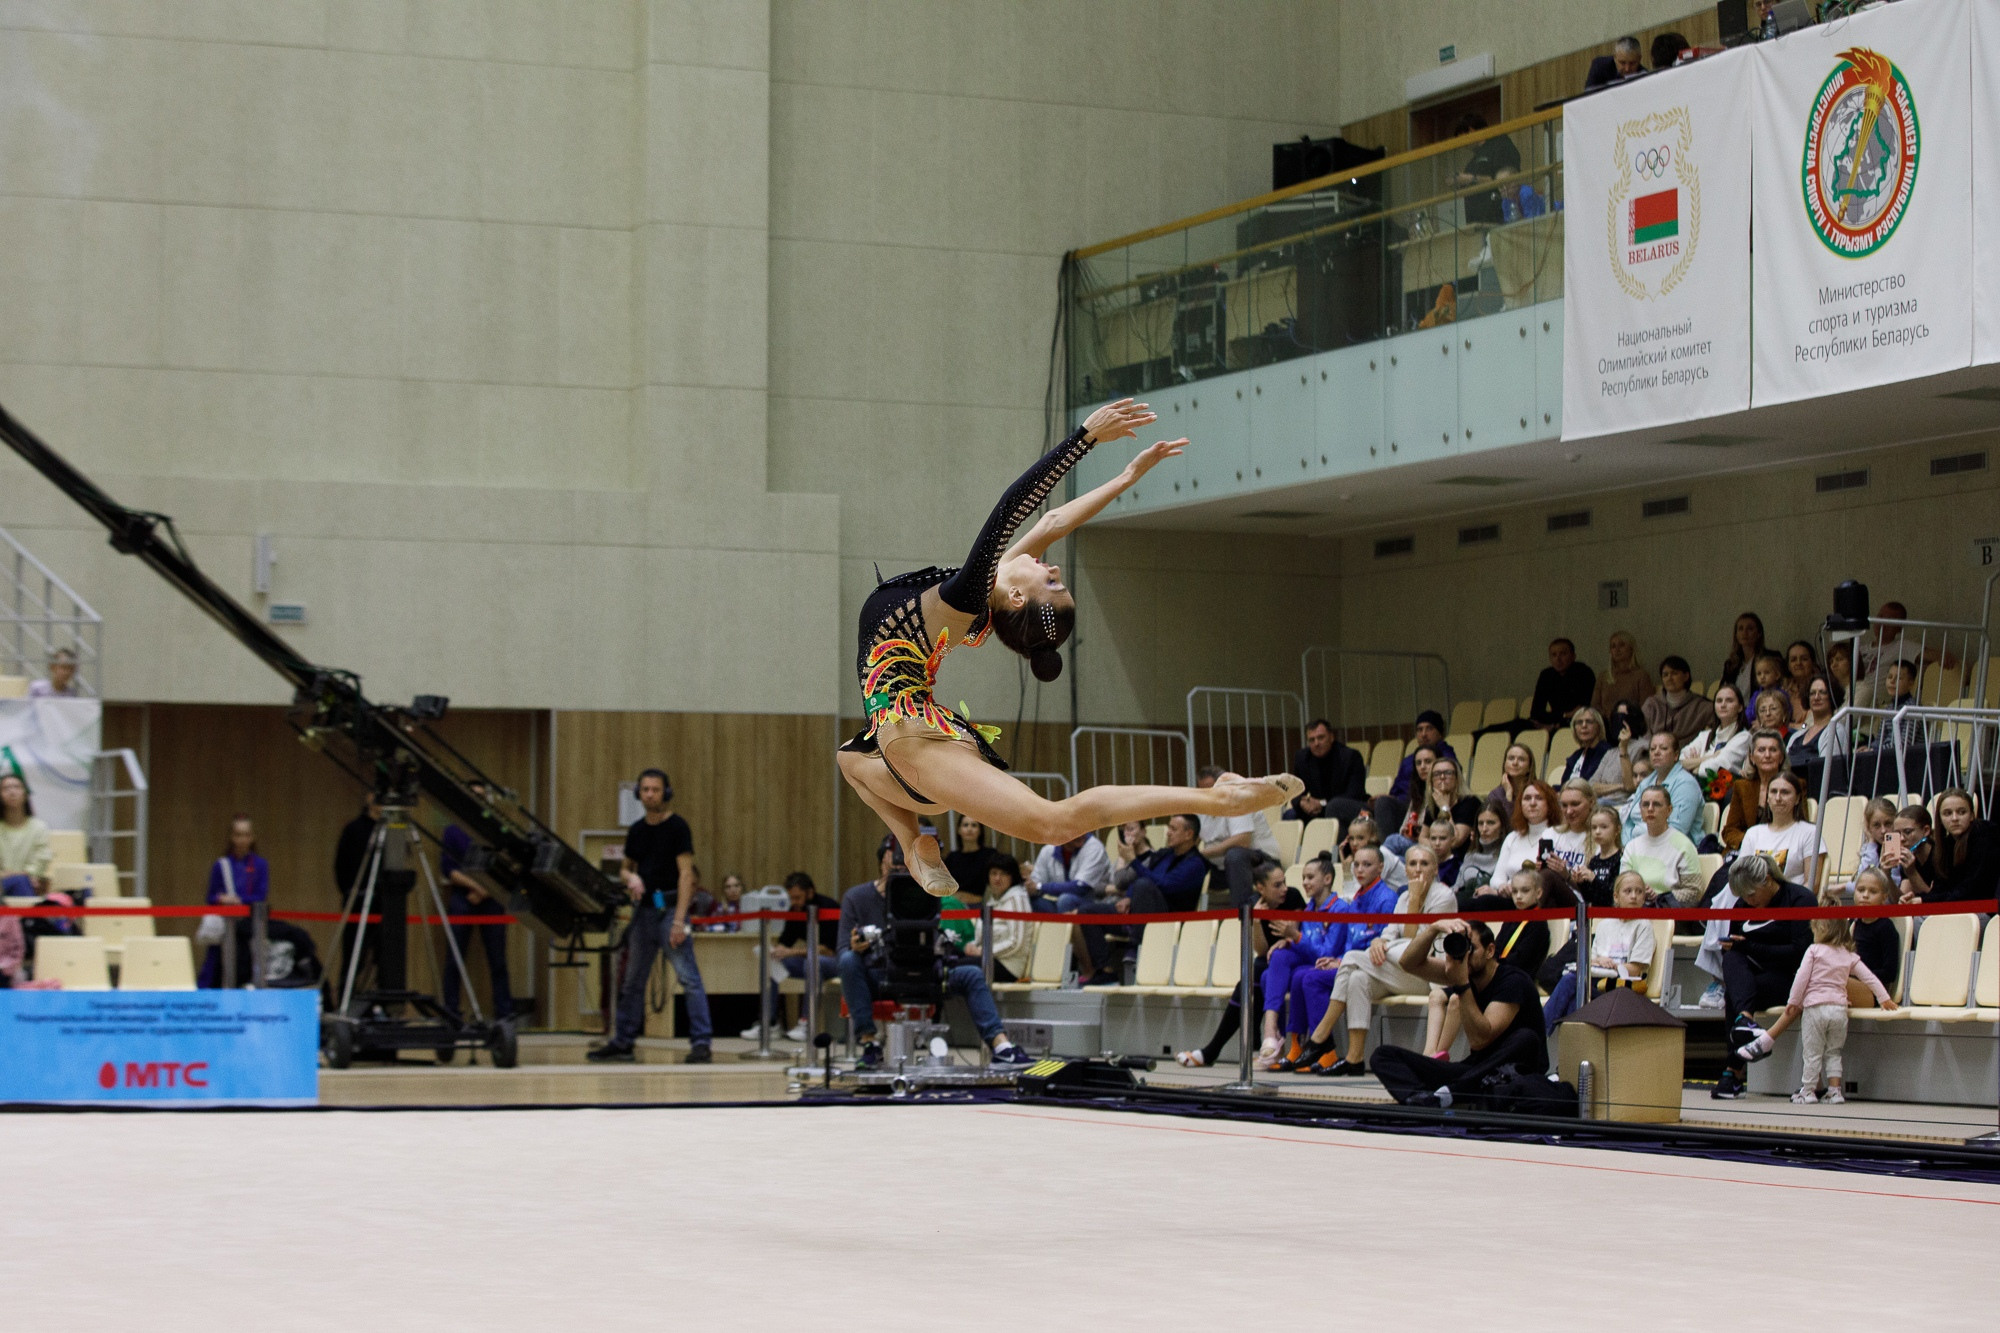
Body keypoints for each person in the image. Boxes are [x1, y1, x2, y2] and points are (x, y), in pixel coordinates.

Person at [835, 397, 1298, 897]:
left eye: (1051, 584)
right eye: (1056, 577)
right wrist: (1126, 478)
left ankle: (1220, 802)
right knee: (846, 758)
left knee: (1055, 824)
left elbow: (1011, 510)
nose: (1052, 568)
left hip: (915, 742)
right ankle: (912, 843)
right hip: (906, 749)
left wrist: (1084, 438)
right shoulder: (987, 599)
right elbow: (1054, 523)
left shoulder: (965, 598)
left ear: (1018, 597)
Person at [833, 843, 1031, 1070]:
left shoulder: (929, 892)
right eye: (895, 864)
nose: (901, 870)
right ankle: (869, 1044)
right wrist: (857, 946)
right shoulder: (856, 897)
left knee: (972, 974)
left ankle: (1002, 1049)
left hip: (929, 971)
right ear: (882, 863)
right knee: (848, 960)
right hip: (886, 975)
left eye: (906, 865)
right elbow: (842, 952)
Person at [1293, 843, 1457, 1075]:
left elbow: (1416, 944)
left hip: (1430, 973)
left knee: (1351, 957)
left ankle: (1320, 1035)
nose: (1418, 869)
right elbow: (1390, 933)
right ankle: (1355, 1058)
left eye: (1424, 863)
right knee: (1357, 978)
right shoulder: (1404, 897)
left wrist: (1414, 902)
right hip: (1402, 969)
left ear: (1435, 868)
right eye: (1412, 863)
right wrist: (1379, 942)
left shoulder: (1444, 896)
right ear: (1406, 869)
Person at [589, 768, 711, 1064]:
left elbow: (686, 875)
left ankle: (701, 1043)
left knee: (688, 978)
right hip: (643, 912)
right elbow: (624, 867)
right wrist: (631, 877)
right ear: (638, 794)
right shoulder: (637, 830)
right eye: (645, 789)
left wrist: (680, 919)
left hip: (670, 909)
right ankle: (623, 1042)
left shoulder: (677, 827)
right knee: (632, 981)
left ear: (665, 793)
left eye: (655, 789)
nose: (650, 794)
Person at [1369, 918, 1549, 1109]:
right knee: (1382, 1056)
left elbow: (1480, 1039)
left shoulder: (1512, 980)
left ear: (1490, 951)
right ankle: (1424, 1100)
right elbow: (1408, 963)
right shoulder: (1464, 972)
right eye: (1462, 947)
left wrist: (1462, 984)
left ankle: (1452, 1093)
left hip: (1513, 1074)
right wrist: (1433, 929)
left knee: (1525, 1038)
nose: (1465, 955)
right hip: (1474, 1072)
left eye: (1471, 948)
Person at [1736, 890, 1896, 1104]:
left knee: (1812, 1053)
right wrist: (1884, 998)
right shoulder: (1849, 955)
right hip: (1839, 1011)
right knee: (1834, 1051)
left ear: (1818, 927)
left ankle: (1808, 1090)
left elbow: (1801, 980)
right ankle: (1835, 1091)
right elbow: (1870, 978)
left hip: (1815, 1010)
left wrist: (1793, 1002)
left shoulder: (1813, 951)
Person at [1710, 854, 1814, 1100]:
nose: (1748, 901)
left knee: (1735, 993)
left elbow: (1801, 954)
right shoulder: (1743, 906)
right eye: (1743, 897)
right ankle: (1745, 1021)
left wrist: (1750, 948)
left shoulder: (1800, 899)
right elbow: (1738, 949)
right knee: (1733, 960)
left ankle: (1732, 1072)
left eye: (1752, 894)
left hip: (1790, 977)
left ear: (1768, 880)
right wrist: (1739, 948)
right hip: (1752, 972)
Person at [1422, 868, 1550, 1056]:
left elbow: (1519, 960)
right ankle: (1430, 1052)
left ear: (1538, 893)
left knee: (1458, 998)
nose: (1519, 896)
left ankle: (1438, 1055)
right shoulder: (1511, 918)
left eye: (1525, 891)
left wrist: (1490, 964)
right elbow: (1495, 948)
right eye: (1514, 891)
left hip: (1510, 982)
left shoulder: (1538, 924)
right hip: (1492, 976)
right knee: (1436, 996)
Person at [1074, 813, 1208, 984]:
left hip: (1168, 919)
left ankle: (1134, 947)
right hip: (1139, 916)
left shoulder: (1196, 864)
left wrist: (1133, 861)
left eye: (1173, 829)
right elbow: (1142, 880)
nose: (1167, 832)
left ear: (1189, 834)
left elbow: (1164, 885)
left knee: (1144, 884)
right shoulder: (1165, 854)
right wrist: (1129, 897)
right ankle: (1105, 970)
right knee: (1086, 912)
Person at [1544, 871, 1655, 1027]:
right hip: (1596, 981)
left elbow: (1635, 969)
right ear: (1616, 897)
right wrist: (1599, 961)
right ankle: (1566, 1046)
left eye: (1639, 891)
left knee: (1570, 981)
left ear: (1644, 897)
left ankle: (1539, 1035)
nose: (1634, 896)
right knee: (1573, 1000)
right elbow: (1592, 960)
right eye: (1628, 891)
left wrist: (1612, 965)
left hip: (1622, 987)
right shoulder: (1604, 924)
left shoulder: (1644, 926)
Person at [439, 795, 515, 1022]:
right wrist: (475, 887)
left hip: (492, 897)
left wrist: (486, 890)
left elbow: (507, 866)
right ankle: (451, 1011)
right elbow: (448, 869)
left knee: (498, 958)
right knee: (455, 956)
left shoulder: (497, 830)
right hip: (464, 895)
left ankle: (504, 1013)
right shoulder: (452, 831)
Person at [762, 871, 838, 1041]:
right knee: (772, 964)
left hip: (835, 961)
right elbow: (786, 941)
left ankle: (806, 1022)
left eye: (798, 897)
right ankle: (771, 1022)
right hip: (809, 961)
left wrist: (791, 952)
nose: (794, 902)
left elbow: (829, 950)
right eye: (791, 898)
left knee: (812, 962)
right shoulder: (795, 910)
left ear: (810, 893)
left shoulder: (829, 907)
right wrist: (775, 952)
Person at [1195, 765, 1283, 907]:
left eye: (1211, 789)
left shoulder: (1238, 800)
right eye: (1203, 790)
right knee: (1189, 864)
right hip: (1224, 868)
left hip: (1261, 863)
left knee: (1235, 855)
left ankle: (1242, 915)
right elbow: (1191, 836)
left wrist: (1203, 853)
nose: (1208, 794)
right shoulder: (1202, 808)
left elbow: (1242, 840)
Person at [199, 814, 270, 988]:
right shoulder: (221, 865)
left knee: (246, 968)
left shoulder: (260, 865)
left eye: (246, 835)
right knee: (215, 968)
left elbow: (260, 896)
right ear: (232, 837)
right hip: (225, 927)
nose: (242, 840)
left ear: (252, 837)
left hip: (249, 927)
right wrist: (222, 898)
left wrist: (239, 900)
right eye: (238, 835)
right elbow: (210, 897)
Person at [1903, 789, 1998, 903]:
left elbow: (1971, 891)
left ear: (1972, 816)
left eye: (1961, 812)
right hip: (1962, 908)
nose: (1954, 818)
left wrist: (1925, 900)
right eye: (1947, 813)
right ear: (1940, 819)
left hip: (1987, 910)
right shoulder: (1947, 844)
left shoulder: (1986, 837)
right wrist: (1917, 899)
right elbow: (1941, 888)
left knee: (1921, 919)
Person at [1621, 785, 1704, 904]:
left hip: (1667, 912)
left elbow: (1694, 891)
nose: (1650, 809)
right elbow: (1622, 884)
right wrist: (1639, 892)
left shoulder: (1683, 845)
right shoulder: (1631, 846)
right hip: (1635, 907)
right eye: (1645, 805)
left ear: (1669, 810)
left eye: (1656, 804)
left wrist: (1660, 897)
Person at [1376, 712, 1456, 832]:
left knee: (1384, 805)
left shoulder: (1446, 757)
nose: (1423, 734)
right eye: (1419, 730)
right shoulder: (1408, 760)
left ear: (1439, 733)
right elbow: (1396, 789)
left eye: (1429, 728)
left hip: (1427, 804)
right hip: (1408, 804)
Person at [1287, 718, 1369, 830]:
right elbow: (1295, 790)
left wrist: (1322, 803)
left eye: (1320, 738)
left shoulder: (1350, 757)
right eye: (1311, 740)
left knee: (1334, 808)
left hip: (1347, 809)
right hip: (1315, 810)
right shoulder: (1302, 758)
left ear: (1331, 737)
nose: (1316, 743)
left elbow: (1354, 794)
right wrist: (1302, 802)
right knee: (1289, 815)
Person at [1622, 730, 1703, 841]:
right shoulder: (1646, 782)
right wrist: (1627, 846)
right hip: (1638, 847)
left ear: (1675, 755)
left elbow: (1677, 830)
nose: (1656, 752)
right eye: (1652, 749)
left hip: (1674, 850)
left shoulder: (1686, 784)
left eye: (1663, 748)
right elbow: (1629, 822)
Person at [964, 858, 1033, 983]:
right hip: (989, 959)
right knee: (952, 963)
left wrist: (983, 952)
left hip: (1008, 966)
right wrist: (973, 945)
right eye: (993, 873)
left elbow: (1016, 943)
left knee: (959, 968)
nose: (997, 878)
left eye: (1003, 874)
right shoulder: (992, 900)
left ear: (1013, 877)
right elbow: (982, 935)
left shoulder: (1017, 899)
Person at [1721, 729, 1791, 851]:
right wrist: (1751, 843)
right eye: (1761, 750)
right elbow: (1730, 831)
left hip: (1780, 851)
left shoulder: (1794, 787)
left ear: (1781, 757)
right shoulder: (1742, 787)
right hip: (1744, 852)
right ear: (1752, 757)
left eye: (1773, 750)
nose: (1767, 755)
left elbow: (1799, 827)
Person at [1451, 113, 1520, 225]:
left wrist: (1471, 179)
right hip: (1477, 223)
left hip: (1501, 217)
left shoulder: (1500, 144)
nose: (1462, 144)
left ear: (1471, 130)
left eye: (1462, 137)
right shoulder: (1472, 162)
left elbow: (1506, 181)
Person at [1848, 868, 1902, 1003]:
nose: (1865, 895)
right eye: (1861, 890)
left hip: (1874, 992)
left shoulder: (1886, 928)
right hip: (1852, 983)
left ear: (1884, 897)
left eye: (1873, 892)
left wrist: (1860, 976)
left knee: (1834, 981)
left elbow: (1889, 972)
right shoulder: (1853, 923)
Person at [1641, 655, 1715, 751]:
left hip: (1687, 756)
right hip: (1655, 756)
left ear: (1686, 676)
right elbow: (1642, 733)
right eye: (1665, 675)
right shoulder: (1652, 704)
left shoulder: (1702, 706)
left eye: (1674, 673)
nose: (1669, 678)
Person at [1592, 630, 1654, 743]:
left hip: (1631, 728)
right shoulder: (1604, 676)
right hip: (1605, 728)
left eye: (1622, 645)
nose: (1617, 650)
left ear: (1631, 648)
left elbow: (1646, 707)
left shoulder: (1641, 675)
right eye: (1613, 646)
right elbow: (1595, 705)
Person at [1523, 638, 1596, 734]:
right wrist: (1565, 714)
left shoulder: (1584, 672)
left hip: (1576, 721)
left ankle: (1554, 727)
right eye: (1554, 655)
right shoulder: (1546, 675)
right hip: (1553, 719)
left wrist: (1559, 721)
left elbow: (1583, 708)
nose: (1558, 659)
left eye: (1563, 654)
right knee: (1519, 724)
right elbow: (1536, 713)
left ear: (1573, 656)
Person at [1493, 779, 1557, 886]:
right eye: (1527, 798)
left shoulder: (1557, 835)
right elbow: (1497, 877)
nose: (1532, 803)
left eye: (1539, 798)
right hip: (1508, 895)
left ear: (1550, 804)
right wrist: (1501, 886)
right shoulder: (1512, 837)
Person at [1680, 682, 1750, 779]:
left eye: (1729, 701)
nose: (1723, 705)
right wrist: (1710, 757)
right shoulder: (1705, 735)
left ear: (1740, 707)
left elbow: (1717, 768)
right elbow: (1680, 762)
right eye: (1719, 701)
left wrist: (1693, 766)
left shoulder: (1744, 737)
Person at [1557, 708, 1627, 804]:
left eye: (1589, 722)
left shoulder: (1606, 751)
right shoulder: (1576, 756)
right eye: (1579, 722)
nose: (1584, 725)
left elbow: (1589, 783)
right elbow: (1564, 784)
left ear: (1598, 726)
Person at [0, 772, 53, 898]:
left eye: (17, 787)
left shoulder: (39, 827)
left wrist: (26, 875)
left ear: (25, 794)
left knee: (22, 883)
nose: (12, 792)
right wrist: (18, 875)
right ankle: (30, 917)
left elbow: (42, 861)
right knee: (21, 881)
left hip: (29, 882)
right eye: (6, 788)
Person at [1026, 830, 1110, 908]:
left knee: (1065, 900)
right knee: (1030, 901)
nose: (1080, 834)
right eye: (1074, 830)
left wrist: (1040, 887)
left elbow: (1080, 887)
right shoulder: (1047, 850)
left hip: (1094, 903)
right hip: (1059, 902)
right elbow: (1035, 884)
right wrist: (1028, 886)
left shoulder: (1094, 847)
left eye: (1083, 829)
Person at [1881, 804, 1939, 901]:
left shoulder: (1940, 855)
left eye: (1907, 832)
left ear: (1926, 831)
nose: (1902, 839)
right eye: (1898, 834)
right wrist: (1886, 874)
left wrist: (1911, 872)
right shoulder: (1908, 858)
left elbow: (1934, 900)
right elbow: (1900, 901)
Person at [1788, 677, 1848, 767]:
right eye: (1812, 693)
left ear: (1832, 696)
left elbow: (1825, 769)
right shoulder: (1796, 736)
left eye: (1822, 692)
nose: (1816, 697)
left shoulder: (1836, 730)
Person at [1454, 803, 1508, 899]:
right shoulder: (1470, 855)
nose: (1484, 829)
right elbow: (1456, 887)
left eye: (1491, 823)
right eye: (1480, 823)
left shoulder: (1507, 854)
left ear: (1502, 826)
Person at [1573, 806, 1625, 905]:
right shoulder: (1594, 861)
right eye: (1594, 827)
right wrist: (1581, 883)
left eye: (1604, 827)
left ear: (1617, 829)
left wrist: (1593, 879)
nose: (1597, 832)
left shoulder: (1621, 858)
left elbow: (1613, 896)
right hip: (1595, 914)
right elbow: (1589, 897)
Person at [943, 815, 996, 897]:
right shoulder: (952, 858)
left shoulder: (991, 855)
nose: (969, 829)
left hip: (983, 905)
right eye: (965, 825)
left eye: (974, 825)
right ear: (959, 830)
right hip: (953, 906)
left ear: (980, 831)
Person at [1719, 612, 1768, 698]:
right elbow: (1723, 691)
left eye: (1750, 629)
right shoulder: (1730, 664)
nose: (1744, 633)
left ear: (1759, 633)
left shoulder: (1768, 658)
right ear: (1736, 634)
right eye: (1740, 629)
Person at [1484, 741, 1537, 820]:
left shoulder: (1538, 792)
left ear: (1529, 767)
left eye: (1521, 759)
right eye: (1511, 758)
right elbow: (1505, 827)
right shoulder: (1495, 795)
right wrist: (1508, 795)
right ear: (1505, 764)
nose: (1515, 763)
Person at [1781, 641, 1820, 723]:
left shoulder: (1821, 687)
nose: (1798, 663)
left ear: (1812, 663)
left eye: (1804, 659)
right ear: (1788, 666)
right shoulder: (1783, 691)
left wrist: (1797, 727)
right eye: (1793, 660)